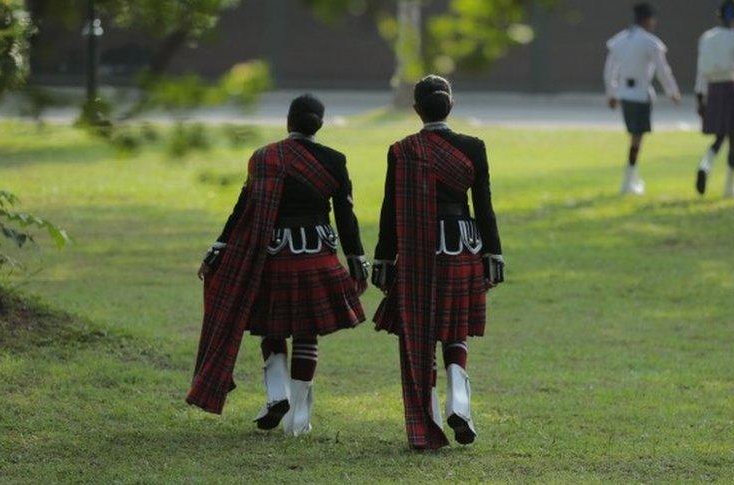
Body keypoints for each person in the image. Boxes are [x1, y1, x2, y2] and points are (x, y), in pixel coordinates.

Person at [187, 94, 369, 437]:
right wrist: (357, 259)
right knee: (306, 331)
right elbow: (346, 216)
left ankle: (276, 393)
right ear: (320, 124)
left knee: (271, 326)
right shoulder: (334, 160)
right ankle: (298, 417)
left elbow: (243, 208)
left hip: (272, 254)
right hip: (317, 255)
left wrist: (217, 250)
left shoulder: (265, 158)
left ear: (288, 121)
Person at [371, 75, 504, 450]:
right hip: (463, 247)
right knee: (455, 326)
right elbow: (484, 206)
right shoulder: (473, 146)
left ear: (416, 110)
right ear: (451, 105)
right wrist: (494, 254)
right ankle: (459, 403)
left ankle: (428, 420)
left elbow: (390, 209)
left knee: (423, 333)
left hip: (417, 250)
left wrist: (383, 259)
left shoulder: (401, 150)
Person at [603, 2, 681, 195]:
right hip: (640, 95)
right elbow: (663, 71)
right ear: (647, 20)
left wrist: (611, 93)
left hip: (624, 94)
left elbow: (609, 71)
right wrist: (672, 91)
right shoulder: (650, 42)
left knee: (634, 138)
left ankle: (633, 178)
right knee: (636, 140)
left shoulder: (619, 40)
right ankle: (628, 182)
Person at [694, 0, 734, 198]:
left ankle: (705, 165)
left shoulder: (706, 38)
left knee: (719, 135)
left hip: (712, 89)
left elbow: (701, 70)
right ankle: (730, 186)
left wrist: (699, 96)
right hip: (731, 88)